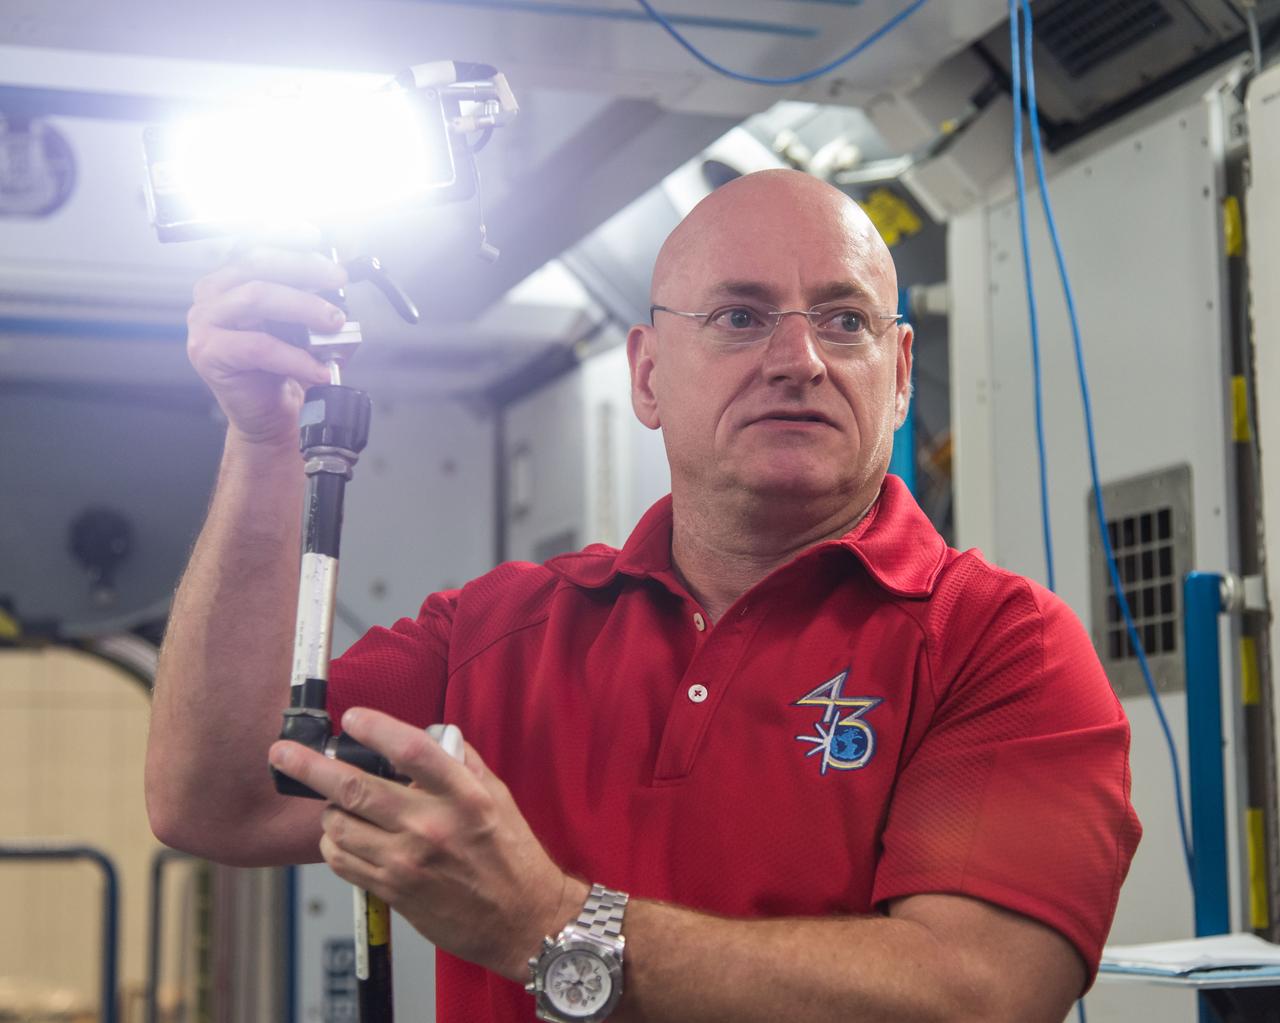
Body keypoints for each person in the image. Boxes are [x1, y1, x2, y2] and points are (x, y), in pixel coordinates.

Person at [146, 168, 1140, 1022]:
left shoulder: (1000, 645)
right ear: (649, 375)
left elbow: (978, 995)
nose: (799, 360)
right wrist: (265, 438)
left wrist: (549, 925)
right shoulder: (494, 635)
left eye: (844, 321)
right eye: (740, 317)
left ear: (901, 371)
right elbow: (219, 796)